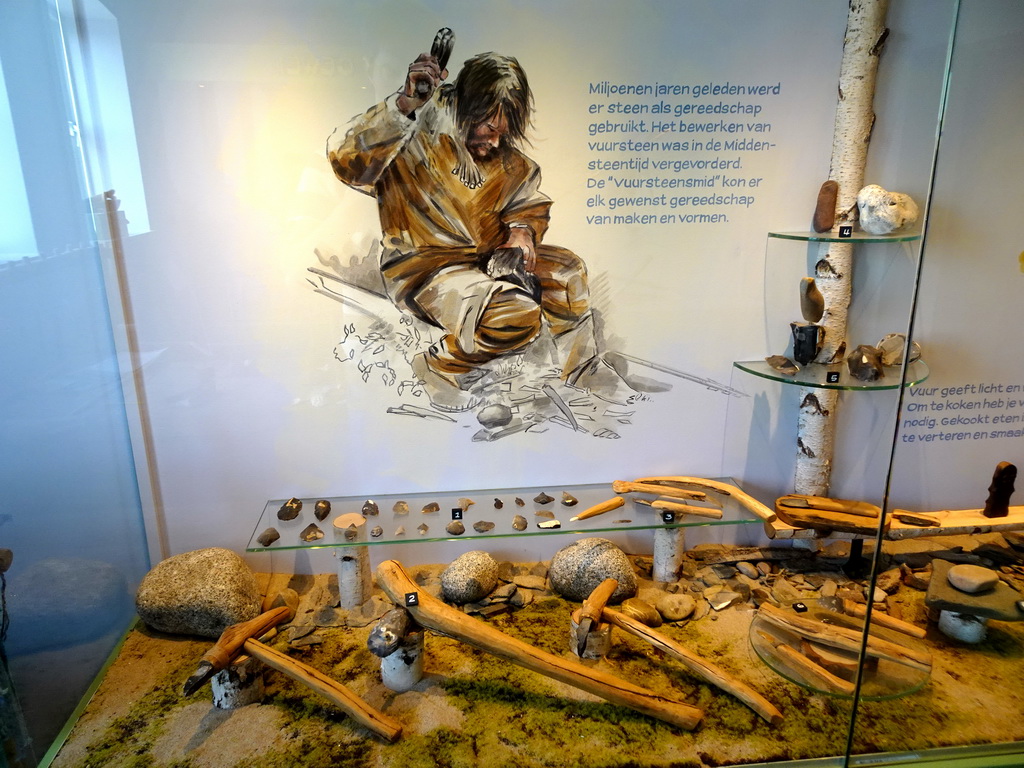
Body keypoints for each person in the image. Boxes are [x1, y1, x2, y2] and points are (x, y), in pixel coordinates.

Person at [327, 49, 630, 412]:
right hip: (426, 270)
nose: (497, 141)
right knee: (515, 313)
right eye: (490, 127)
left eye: (504, 132)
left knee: (567, 271)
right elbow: (346, 160)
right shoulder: (412, 137)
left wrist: (521, 233)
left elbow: (527, 202)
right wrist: (406, 103)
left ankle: (583, 370)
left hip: (487, 262)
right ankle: (439, 367)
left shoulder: (505, 159)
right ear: (467, 109)